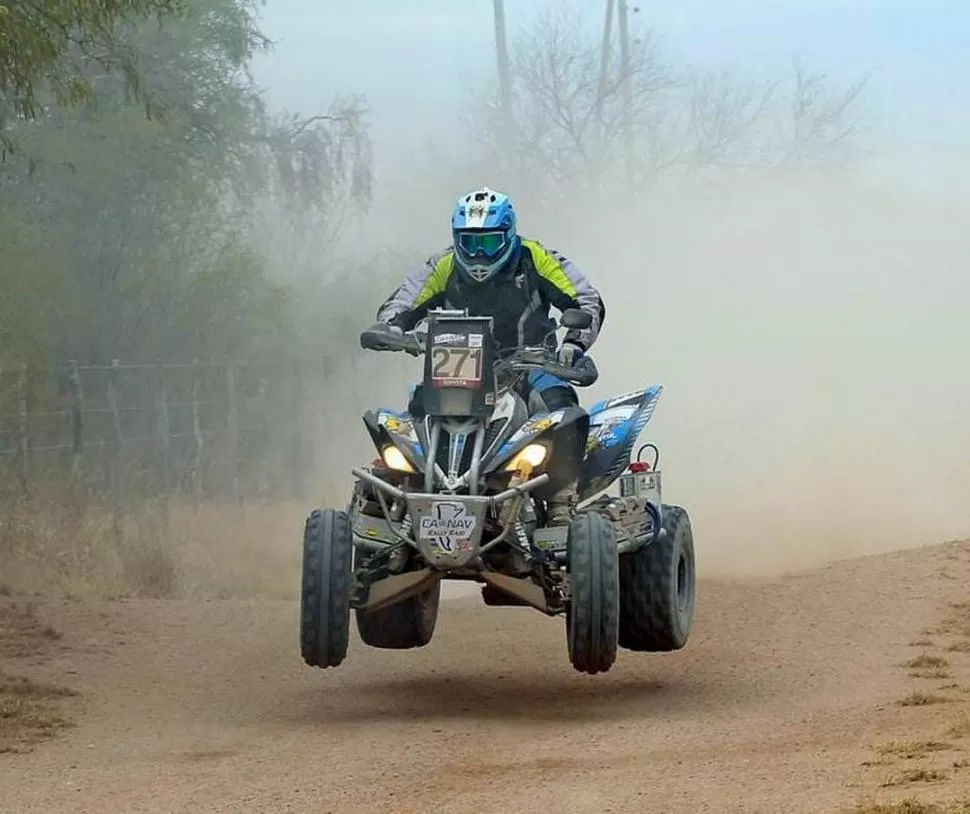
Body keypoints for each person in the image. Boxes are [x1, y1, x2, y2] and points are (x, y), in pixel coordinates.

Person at [361, 186, 606, 525]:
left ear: (508, 235)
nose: (478, 254)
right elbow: (401, 301)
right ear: (456, 238)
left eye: (488, 243)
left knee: (561, 407)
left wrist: (573, 344)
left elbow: (587, 301)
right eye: (469, 242)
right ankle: (388, 497)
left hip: (530, 364)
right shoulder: (444, 264)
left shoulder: (535, 257)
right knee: (411, 418)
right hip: (456, 368)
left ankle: (561, 501)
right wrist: (392, 328)